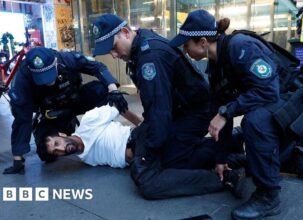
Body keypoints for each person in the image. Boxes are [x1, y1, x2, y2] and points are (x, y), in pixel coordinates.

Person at [169, 9, 303, 220]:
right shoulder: (216, 66)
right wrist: (220, 159)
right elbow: (221, 113)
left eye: (186, 44)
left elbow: (268, 91)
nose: (184, 50)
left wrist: (227, 111)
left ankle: (268, 196)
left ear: (202, 42)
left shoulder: (240, 47)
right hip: (281, 106)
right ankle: (293, 157)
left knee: (255, 122)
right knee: (250, 128)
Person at [91, 14, 245, 199]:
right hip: (182, 111)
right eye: (109, 52)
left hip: (195, 112)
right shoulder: (142, 45)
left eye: (113, 47)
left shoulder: (150, 57)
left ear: (125, 32)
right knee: (168, 158)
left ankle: (220, 175)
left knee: (157, 171)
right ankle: (229, 144)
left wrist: (150, 152)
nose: (114, 55)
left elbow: (159, 109)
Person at [3, 47, 128, 175]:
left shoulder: (66, 58)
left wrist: (113, 90)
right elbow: (22, 117)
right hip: (53, 113)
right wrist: (18, 158)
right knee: (46, 154)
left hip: (76, 100)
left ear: (55, 62)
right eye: (42, 78)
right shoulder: (23, 78)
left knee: (101, 90)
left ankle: (106, 128)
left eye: (50, 75)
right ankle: (67, 128)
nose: (48, 82)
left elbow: (97, 67)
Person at [38, 104, 141, 168]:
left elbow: (118, 108)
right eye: (56, 151)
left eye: (57, 143)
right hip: (137, 162)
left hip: (136, 139)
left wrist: (141, 125)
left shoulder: (88, 120)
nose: (62, 149)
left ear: (62, 134)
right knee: (146, 186)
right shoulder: (86, 159)